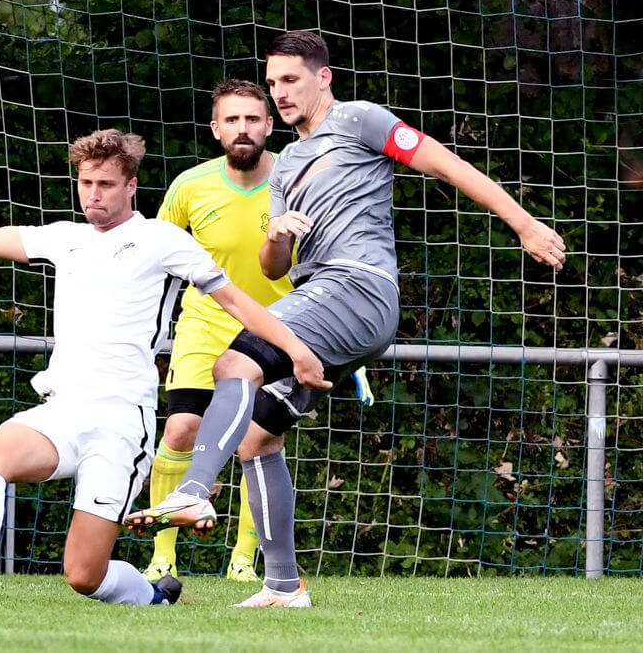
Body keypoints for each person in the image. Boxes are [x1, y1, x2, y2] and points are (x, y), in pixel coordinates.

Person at [126, 30, 567, 607]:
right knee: (257, 439)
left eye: (290, 81)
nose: (280, 93)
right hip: (325, 299)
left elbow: (449, 165)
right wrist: (277, 237)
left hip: (359, 287)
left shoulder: (360, 120)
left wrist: (524, 224)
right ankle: (284, 585)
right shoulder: (284, 169)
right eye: (273, 83)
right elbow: (274, 264)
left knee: (235, 359)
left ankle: (191, 488)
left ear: (322, 78)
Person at [0, 129, 328, 606]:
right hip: (62, 411)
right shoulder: (65, 238)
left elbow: (239, 303)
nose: (93, 194)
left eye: (106, 184)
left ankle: (156, 598)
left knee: (84, 574)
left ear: (131, 187)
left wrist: (297, 350)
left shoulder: (161, 240)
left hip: (120, 424)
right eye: (86, 182)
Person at [144, 79, 373, 584]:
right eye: (232, 119)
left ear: (270, 125)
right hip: (206, 325)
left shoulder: (298, 177)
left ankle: (244, 562)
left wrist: (344, 336)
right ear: (215, 128)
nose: (242, 128)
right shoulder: (189, 186)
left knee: (256, 439)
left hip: (279, 328)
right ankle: (162, 554)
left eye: (253, 118)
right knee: (181, 429)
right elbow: (154, 257)